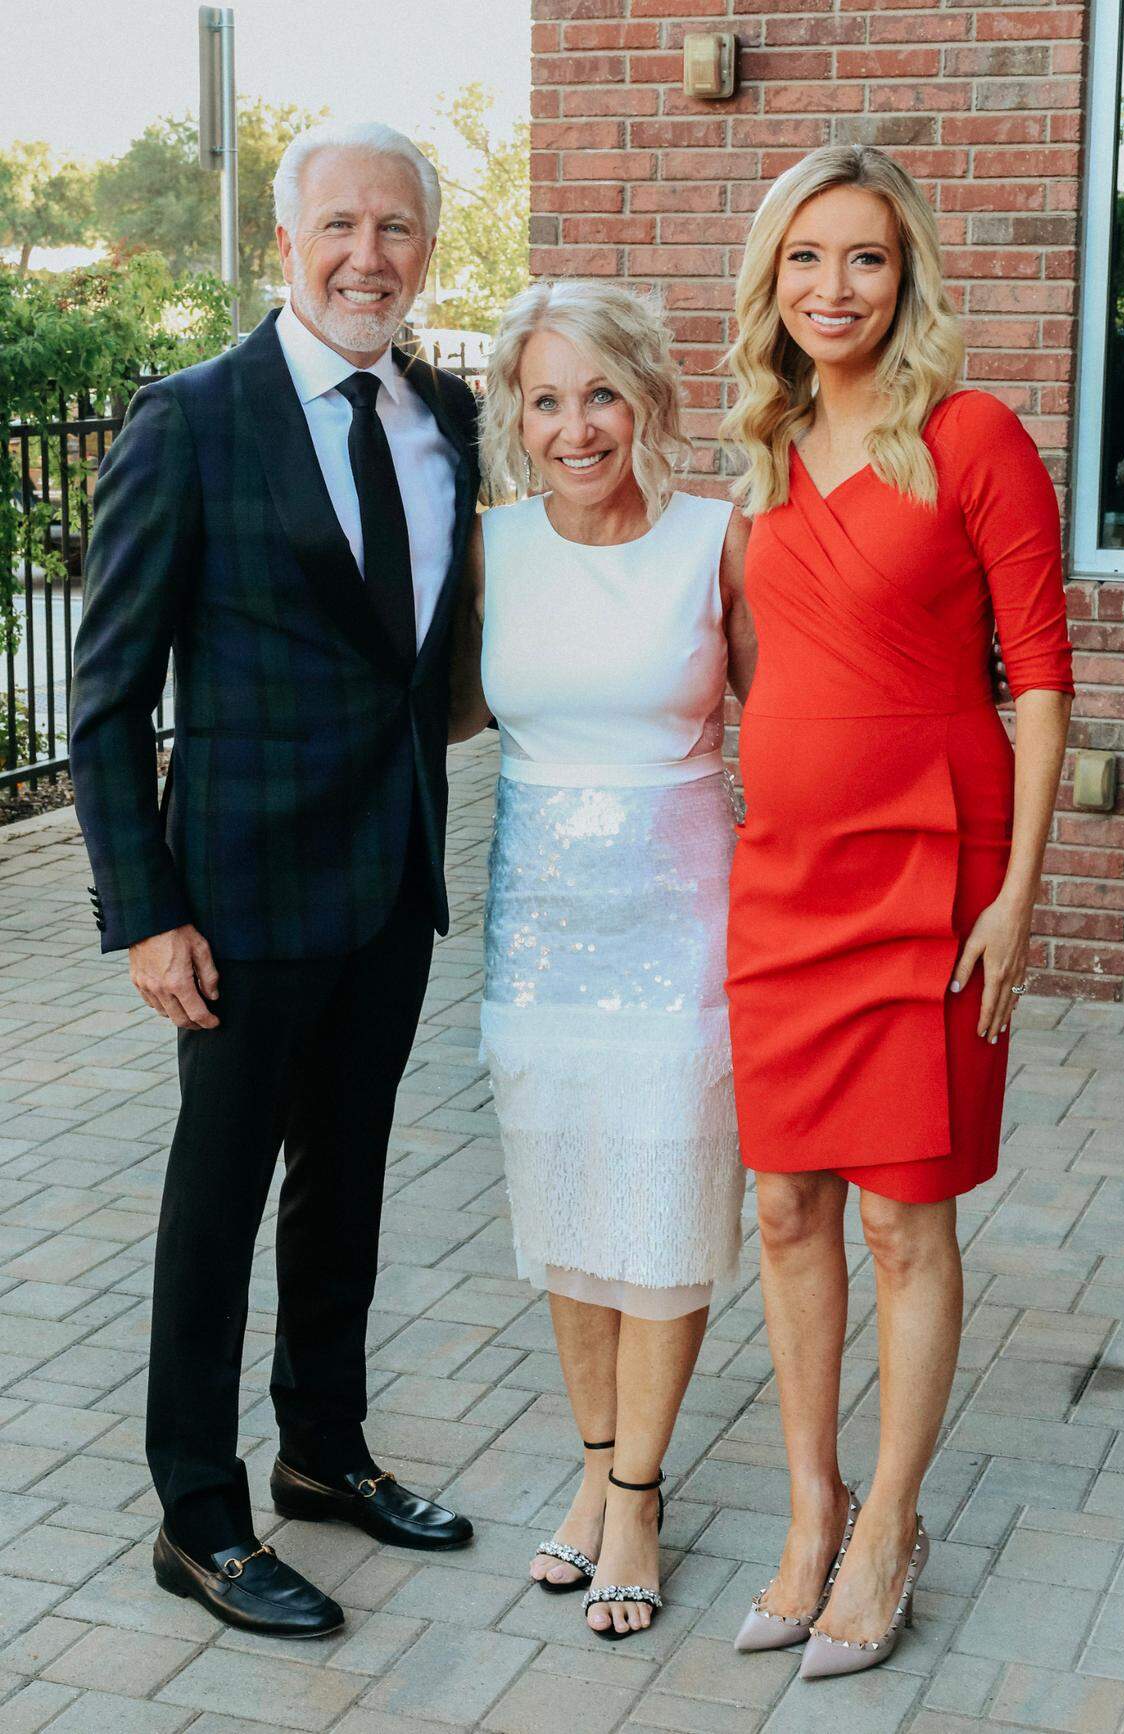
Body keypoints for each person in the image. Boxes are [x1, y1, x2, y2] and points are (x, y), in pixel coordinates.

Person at [68, 120, 479, 1638]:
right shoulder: (192, 420)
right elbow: (105, 697)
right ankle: (198, 1512)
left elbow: (421, 662)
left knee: (349, 1187)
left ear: (425, 251)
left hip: (390, 893)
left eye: (399, 230)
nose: (370, 254)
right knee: (216, 1204)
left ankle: (323, 1449)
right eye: (343, 226)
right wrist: (145, 910)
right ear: (285, 244)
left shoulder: (445, 416)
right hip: (235, 905)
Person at [723, 144, 1073, 1680]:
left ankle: (891, 1530)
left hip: (937, 876)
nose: (833, 290)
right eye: (805, 260)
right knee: (788, 1202)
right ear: (769, 281)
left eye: (864, 258)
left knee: (898, 1213)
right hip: (787, 877)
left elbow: (1046, 685)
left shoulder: (974, 434)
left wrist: (1017, 897)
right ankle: (813, 1511)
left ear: (908, 271)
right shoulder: (764, 439)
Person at [450, 281, 756, 1638]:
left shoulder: (714, 539)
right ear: (518, 416)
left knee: (669, 1210)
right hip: (540, 936)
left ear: (648, 398)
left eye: (602, 394)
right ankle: (590, 1473)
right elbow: (432, 706)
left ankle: (639, 1490)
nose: (577, 427)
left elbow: (790, 718)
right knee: (571, 1208)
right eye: (548, 398)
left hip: (684, 928)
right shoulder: (490, 549)